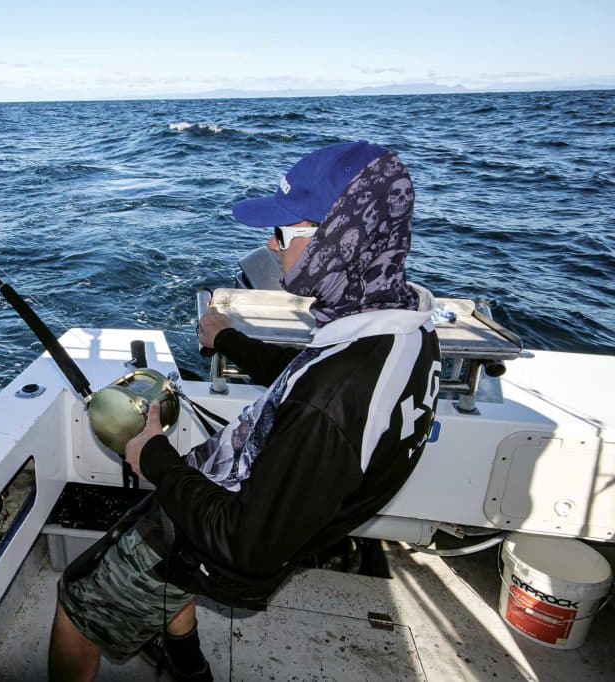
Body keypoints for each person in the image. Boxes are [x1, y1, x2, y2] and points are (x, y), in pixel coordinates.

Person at [49, 141, 442, 681]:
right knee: (157, 540)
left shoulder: (332, 402)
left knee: (76, 605)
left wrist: (153, 457)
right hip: (261, 496)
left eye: (282, 234)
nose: (270, 246)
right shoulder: (404, 325)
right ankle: (188, 668)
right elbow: (306, 375)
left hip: (224, 544)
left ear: (337, 242)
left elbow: (245, 543)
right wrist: (229, 340)